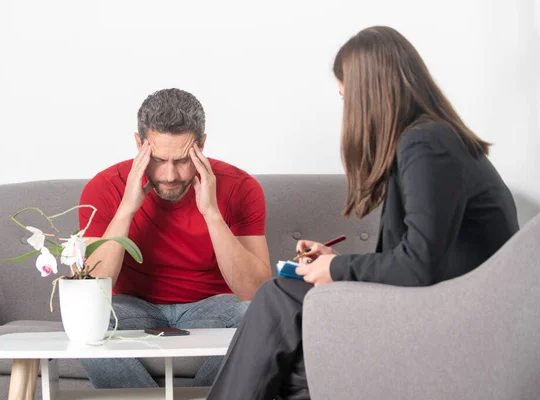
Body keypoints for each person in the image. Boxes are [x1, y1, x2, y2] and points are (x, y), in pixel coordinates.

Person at [206, 26, 519, 400]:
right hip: (447, 306)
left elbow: (419, 267)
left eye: (345, 97)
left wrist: (337, 271)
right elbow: (418, 259)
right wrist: (337, 262)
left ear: (368, 94)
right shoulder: (432, 139)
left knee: (280, 295)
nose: (347, 111)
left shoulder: (427, 143)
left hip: (455, 319)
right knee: (296, 370)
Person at [78, 88, 272, 388]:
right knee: (85, 318)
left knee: (262, 315)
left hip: (213, 306)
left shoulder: (241, 187)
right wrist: (127, 208)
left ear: (202, 144)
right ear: (139, 144)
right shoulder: (104, 187)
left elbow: (256, 292)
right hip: (133, 307)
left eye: (182, 161)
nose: (169, 176)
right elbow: (93, 288)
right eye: (157, 159)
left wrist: (211, 212)